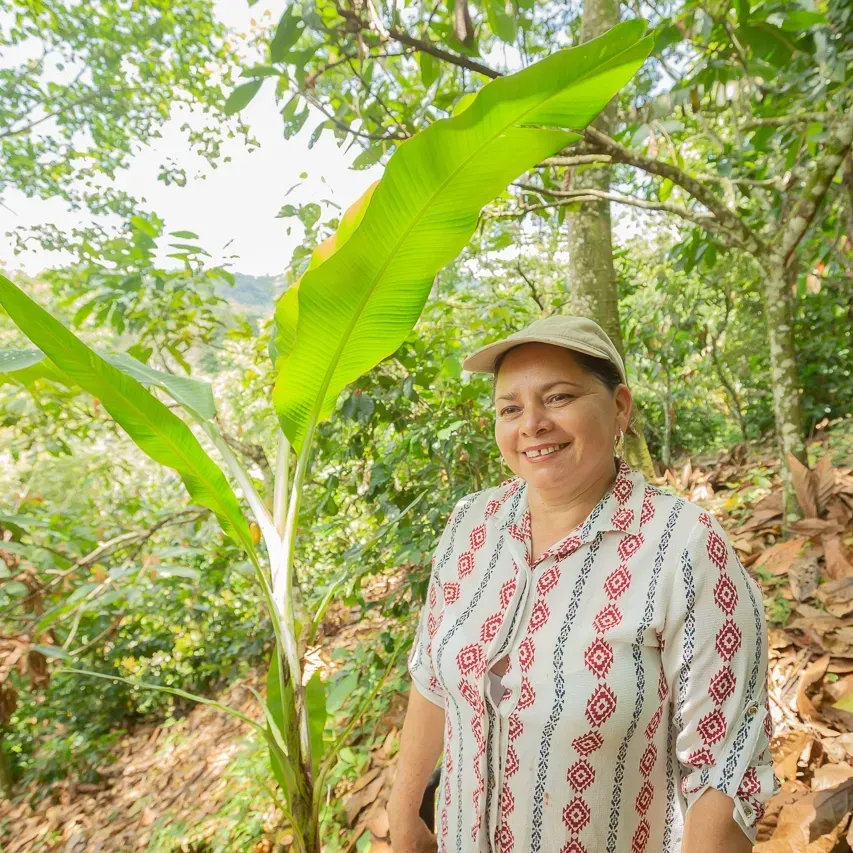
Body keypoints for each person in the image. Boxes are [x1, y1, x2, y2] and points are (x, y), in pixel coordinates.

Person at [387, 315, 779, 853]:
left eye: (558, 397)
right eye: (510, 408)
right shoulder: (470, 524)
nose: (532, 424)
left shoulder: (683, 545)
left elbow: (724, 764)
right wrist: (405, 807)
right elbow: (433, 673)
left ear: (619, 406)